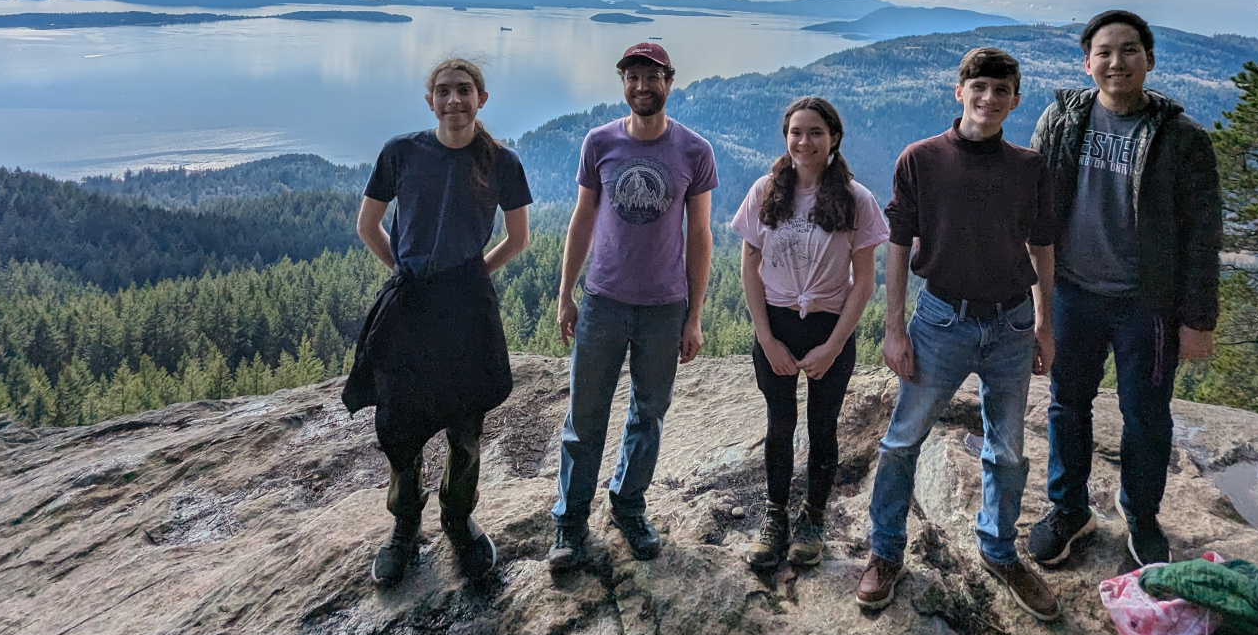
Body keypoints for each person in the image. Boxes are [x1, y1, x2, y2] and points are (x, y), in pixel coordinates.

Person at [858, 47, 1061, 623]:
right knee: (902, 440)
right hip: (941, 320)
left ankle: (999, 551)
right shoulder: (921, 159)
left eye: (1002, 91)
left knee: (1010, 448)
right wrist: (894, 328)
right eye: (980, 88)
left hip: (1013, 323)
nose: (989, 99)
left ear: (1015, 100)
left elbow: (1043, 246)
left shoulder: (1029, 168)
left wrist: (1045, 324)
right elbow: (897, 245)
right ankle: (885, 552)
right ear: (959, 91)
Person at [1026, 10, 1220, 569]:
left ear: (1149, 60)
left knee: (1147, 415)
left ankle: (1140, 513)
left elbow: (1203, 237)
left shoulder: (1182, 140)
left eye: (1129, 50)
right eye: (1104, 52)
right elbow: (1036, 211)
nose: (1117, 62)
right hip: (1073, 294)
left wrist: (1198, 319)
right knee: (1067, 405)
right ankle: (1069, 508)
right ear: (1087, 64)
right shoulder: (1061, 122)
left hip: (1148, 305)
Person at [342, 58, 534, 588]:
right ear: (430, 101)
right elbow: (369, 225)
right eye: (444, 91)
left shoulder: (502, 162)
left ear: (482, 99)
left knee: (466, 428)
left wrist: (472, 274)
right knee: (399, 427)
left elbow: (518, 240)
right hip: (411, 308)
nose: (455, 100)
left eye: (465, 91)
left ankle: (457, 520)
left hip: (467, 310)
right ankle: (404, 527)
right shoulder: (401, 152)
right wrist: (405, 272)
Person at [547, 42, 718, 573]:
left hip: (664, 307)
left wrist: (694, 315)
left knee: (650, 414)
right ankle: (570, 523)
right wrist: (566, 293)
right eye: (633, 77)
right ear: (623, 83)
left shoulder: (694, 150)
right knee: (585, 417)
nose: (642, 86)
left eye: (652, 77)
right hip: (602, 300)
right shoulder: (599, 142)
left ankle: (628, 504)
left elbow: (701, 234)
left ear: (670, 81)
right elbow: (583, 218)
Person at [733, 97, 887, 571]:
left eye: (816, 132)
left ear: (834, 138)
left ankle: (813, 520)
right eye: (796, 132)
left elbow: (864, 282)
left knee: (823, 427)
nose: (805, 141)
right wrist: (767, 339)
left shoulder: (856, 199)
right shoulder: (766, 191)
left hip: (828, 326)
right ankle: (775, 517)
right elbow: (749, 267)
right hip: (777, 323)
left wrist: (834, 345)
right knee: (780, 424)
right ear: (786, 137)